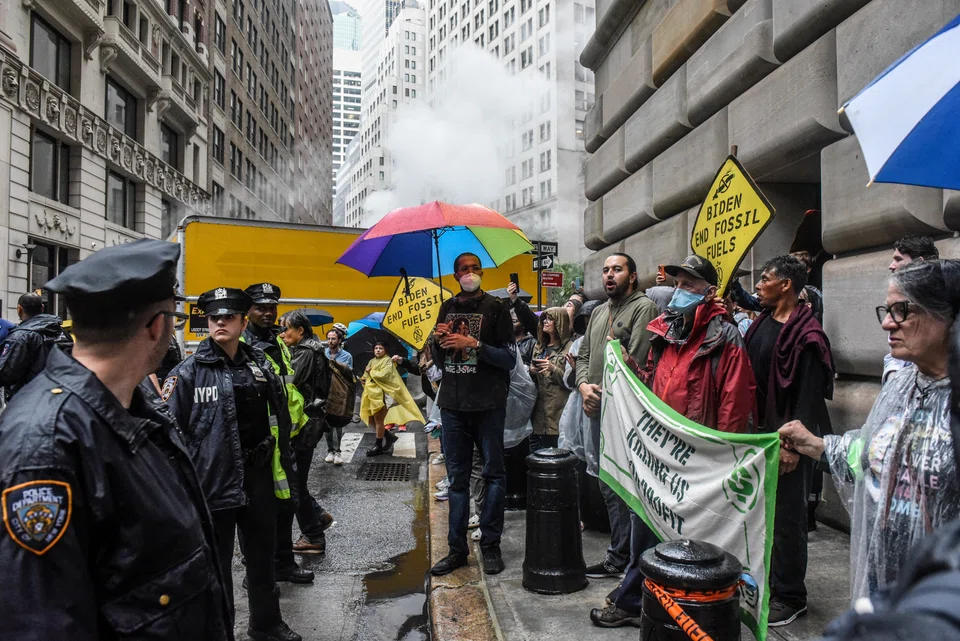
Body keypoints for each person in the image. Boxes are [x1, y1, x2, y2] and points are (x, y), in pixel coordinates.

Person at [0, 239, 233, 639]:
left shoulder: (134, 406)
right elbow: (41, 622)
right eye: (173, 319)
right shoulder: (47, 440)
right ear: (157, 326)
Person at [780, 259, 959, 603]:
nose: (887, 324)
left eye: (902, 310)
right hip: (885, 584)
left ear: (949, 316)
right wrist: (816, 445)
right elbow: (872, 451)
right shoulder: (902, 385)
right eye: (887, 310)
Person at [591, 256, 757, 628]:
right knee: (644, 523)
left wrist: (726, 454)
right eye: (678, 283)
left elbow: (735, 399)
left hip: (698, 456)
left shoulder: (724, 334)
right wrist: (625, 367)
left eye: (690, 285)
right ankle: (636, 599)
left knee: (688, 538)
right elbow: (648, 381)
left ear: (709, 292)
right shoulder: (664, 330)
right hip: (659, 450)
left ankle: (679, 606)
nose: (681, 291)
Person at [163, 287, 301, 641]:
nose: (220, 322)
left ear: (242, 322)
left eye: (228, 317)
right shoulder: (188, 372)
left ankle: (266, 624)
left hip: (257, 477)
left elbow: (280, 421)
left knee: (262, 558)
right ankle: (217, 630)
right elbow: (168, 434)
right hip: (212, 481)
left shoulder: (259, 364)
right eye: (214, 317)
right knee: (216, 567)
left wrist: (285, 469)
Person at [744, 255, 835, 626]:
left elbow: (808, 400)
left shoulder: (808, 336)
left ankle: (791, 595)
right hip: (759, 438)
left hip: (789, 447)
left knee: (787, 520)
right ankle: (767, 582)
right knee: (761, 517)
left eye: (765, 278)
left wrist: (792, 448)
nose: (759, 285)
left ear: (786, 284)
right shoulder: (761, 323)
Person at [429, 252, 516, 577]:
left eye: (475, 268)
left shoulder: (496, 309)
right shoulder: (447, 308)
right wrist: (438, 342)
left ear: (482, 272)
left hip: (489, 405)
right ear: (455, 276)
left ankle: (490, 544)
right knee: (457, 481)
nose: (470, 273)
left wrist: (473, 343)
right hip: (452, 406)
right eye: (463, 269)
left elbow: (509, 359)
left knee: (494, 474)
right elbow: (440, 362)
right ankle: (457, 550)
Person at [576, 253, 660, 582]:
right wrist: (583, 386)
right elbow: (583, 355)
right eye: (606, 270)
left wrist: (605, 396)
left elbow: (638, 363)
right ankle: (618, 553)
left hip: (624, 414)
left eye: (617, 269)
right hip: (593, 408)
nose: (609, 275)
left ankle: (630, 562)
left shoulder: (643, 308)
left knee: (625, 486)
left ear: (633, 275)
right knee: (606, 484)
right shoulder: (598, 311)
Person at [242, 282, 313, 585]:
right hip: (255, 439)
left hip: (283, 438)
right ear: (249, 311)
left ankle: (284, 563)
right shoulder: (242, 344)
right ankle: (255, 570)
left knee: (286, 503)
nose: (269, 313)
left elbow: (288, 387)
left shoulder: (279, 341)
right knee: (254, 511)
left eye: (272, 308)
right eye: (261, 307)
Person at [280, 310, 337, 553]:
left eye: (287, 329)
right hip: (308, 423)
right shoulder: (313, 349)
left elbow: (288, 382)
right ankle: (318, 516)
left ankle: (314, 535)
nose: (283, 333)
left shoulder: (304, 352)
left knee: (294, 483)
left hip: (302, 424)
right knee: (296, 481)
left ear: (300, 330)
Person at [884, 235, 940, 384]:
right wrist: (893, 379)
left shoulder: (944, 304)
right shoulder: (897, 299)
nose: (891, 265)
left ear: (919, 263)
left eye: (898, 259)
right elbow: (892, 355)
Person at [0, 291, 71, 398]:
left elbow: (5, 373)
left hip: (30, 399)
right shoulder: (61, 332)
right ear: (42, 308)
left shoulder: (20, 337)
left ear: (19, 309)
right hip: (61, 395)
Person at [360, 340, 424, 456]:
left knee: (379, 420)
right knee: (370, 419)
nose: (378, 350)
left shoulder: (388, 361)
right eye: (376, 348)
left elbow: (384, 376)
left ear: (385, 350)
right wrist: (363, 379)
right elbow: (366, 376)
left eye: (381, 348)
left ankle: (378, 445)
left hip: (382, 395)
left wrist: (371, 372)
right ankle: (388, 436)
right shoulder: (371, 361)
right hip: (370, 395)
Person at [529, 307, 574, 453]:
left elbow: (572, 382)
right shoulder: (539, 347)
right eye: (544, 319)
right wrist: (532, 371)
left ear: (560, 322)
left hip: (558, 413)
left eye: (550, 319)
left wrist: (553, 369)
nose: (545, 322)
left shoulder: (570, 348)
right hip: (538, 415)